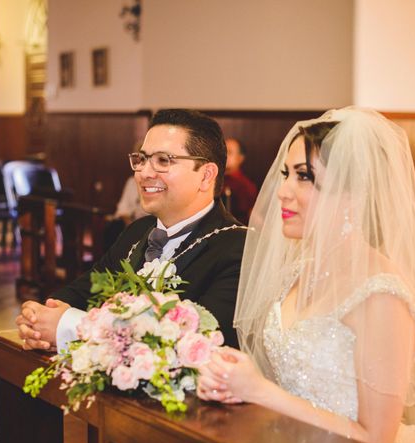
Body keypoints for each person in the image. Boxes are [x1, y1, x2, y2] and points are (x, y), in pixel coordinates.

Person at [196, 108, 415, 443]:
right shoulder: (296, 272)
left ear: (353, 194)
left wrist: (260, 392)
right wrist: (236, 377)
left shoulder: (381, 295)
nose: (283, 191)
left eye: (305, 177)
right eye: (286, 174)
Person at [15, 109, 246, 351]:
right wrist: (39, 317)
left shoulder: (238, 248)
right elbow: (85, 289)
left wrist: (68, 325)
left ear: (206, 176)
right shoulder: (138, 231)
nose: (144, 173)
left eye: (163, 161)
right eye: (143, 159)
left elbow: (196, 341)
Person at [103, 174, 148, 248]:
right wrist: (129, 224)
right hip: (129, 222)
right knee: (113, 229)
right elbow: (123, 208)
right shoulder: (131, 181)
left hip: (147, 224)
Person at [223, 138, 257, 224]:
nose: (224, 155)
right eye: (222, 151)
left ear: (240, 158)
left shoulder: (246, 186)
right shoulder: (212, 179)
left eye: (229, 152)